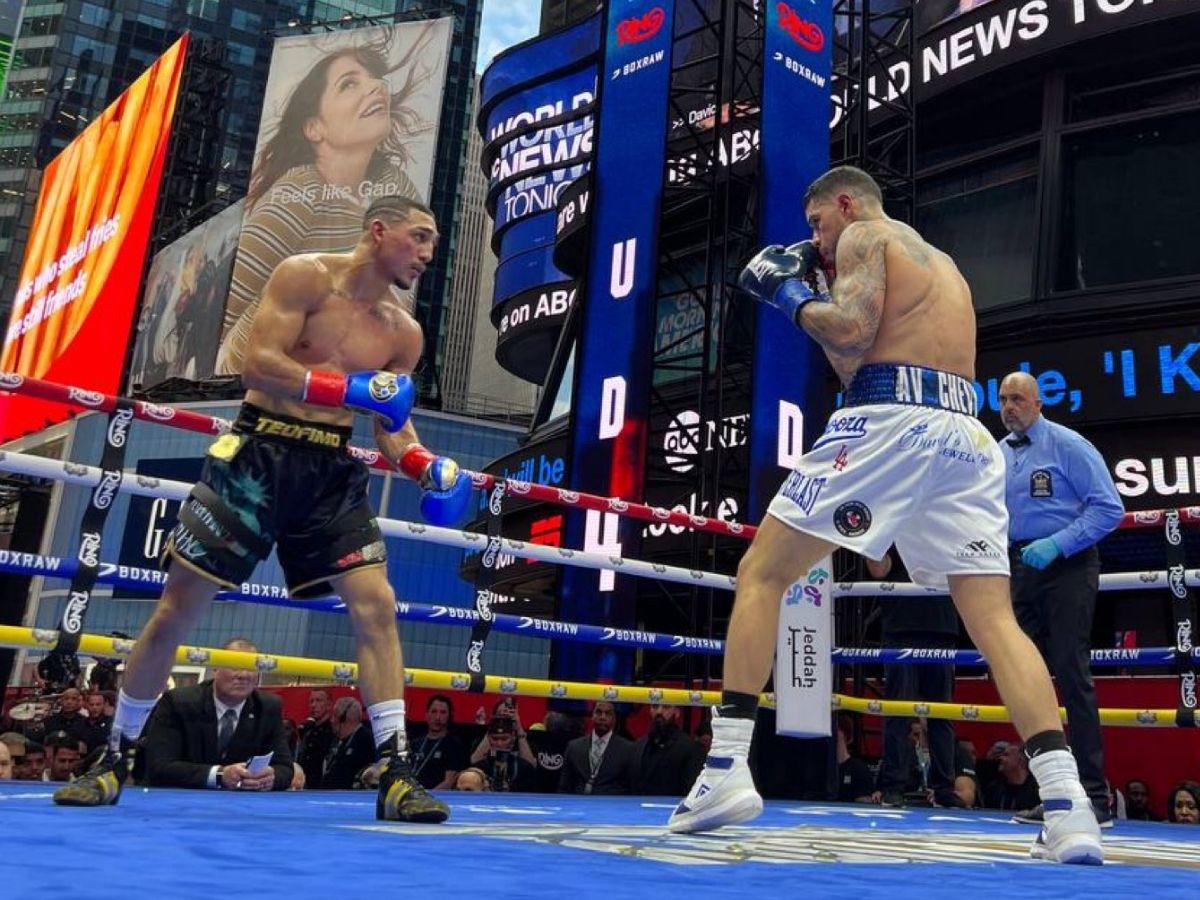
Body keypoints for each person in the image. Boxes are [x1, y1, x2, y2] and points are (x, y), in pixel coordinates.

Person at [670, 165, 1103, 865]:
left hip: (890, 422)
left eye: (817, 224)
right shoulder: (945, 266)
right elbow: (863, 352)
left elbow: (849, 331)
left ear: (846, 203)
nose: (818, 241)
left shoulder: (867, 235)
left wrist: (788, 295)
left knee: (761, 574)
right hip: (964, 434)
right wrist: (814, 291)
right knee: (993, 619)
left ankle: (723, 771)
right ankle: (1069, 804)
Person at [55, 195, 470, 825]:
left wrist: (423, 465)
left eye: (433, 244)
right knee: (177, 608)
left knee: (377, 603)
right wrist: (344, 387)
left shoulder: (402, 332)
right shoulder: (304, 274)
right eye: (419, 237)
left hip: (331, 469)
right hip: (256, 453)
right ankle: (114, 757)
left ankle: (396, 772)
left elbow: (392, 426)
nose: (427, 254)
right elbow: (259, 363)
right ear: (378, 230)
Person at [217, 29, 440, 375]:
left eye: (374, 78)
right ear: (314, 128)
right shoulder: (294, 195)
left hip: (337, 412)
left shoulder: (396, 189)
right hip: (250, 393)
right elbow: (225, 322)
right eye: (349, 84)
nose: (377, 87)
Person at [998, 371, 1124, 828]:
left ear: (1037, 403)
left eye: (1018, 399)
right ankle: (1050, 795)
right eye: (1004, 399)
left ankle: (1094, 798)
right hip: (1021, 566)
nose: (1010, 407)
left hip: (1068, 566)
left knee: (1072, 673)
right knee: (1025, 679)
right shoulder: (998, 453)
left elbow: (1110, 508)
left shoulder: (1069, 445)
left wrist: (1060, 543)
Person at [866, 551, 962, 808]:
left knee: (942, 713)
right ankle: (893, 787)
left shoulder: (945, 524)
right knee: (898, 712)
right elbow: (878, 570)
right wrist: (868, 539)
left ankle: (943, 789)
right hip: (901, 626)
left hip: (941, 625)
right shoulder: (893, 521)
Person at [141, 638, 294, 791]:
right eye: (235, 666)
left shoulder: (268, 707)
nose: (244, 675)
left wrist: (270, 777)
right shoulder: (178, 702)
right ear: (215, 669)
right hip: (179, 800)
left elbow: (285, 768)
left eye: (251, 668)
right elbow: (159, 766)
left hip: (241, 806)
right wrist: (219, 775)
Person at [559, 701, 636, 795]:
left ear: (614, 719)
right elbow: (564, 786)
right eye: (599, 712)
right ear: (592, 716)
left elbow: (631, 787)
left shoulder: (628, 749)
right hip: (578, 805)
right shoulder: (574, 747)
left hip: (611, 806)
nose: (603, 717)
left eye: (608, 714)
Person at [409, 694, 468, 790]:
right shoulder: (415, 743)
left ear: (449, 716)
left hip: (435, 797)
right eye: (434, 712)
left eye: (443, 712)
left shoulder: (454, 746)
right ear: (427, 715)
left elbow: (448, 782)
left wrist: (425, 798)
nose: (437, 717)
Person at [320, 697, 376, 790]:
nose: (331, 720)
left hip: (350, 798)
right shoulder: (337, 740)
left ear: (344, 718)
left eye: (334, 716)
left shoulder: (365, 740)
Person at [296, 689, 336, 789]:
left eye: (318, 700)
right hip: (304, 784)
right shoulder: (307, 730)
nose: (313, 705)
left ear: (329, 705)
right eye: (311, 701)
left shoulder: (334, 731)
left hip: (322, 786)